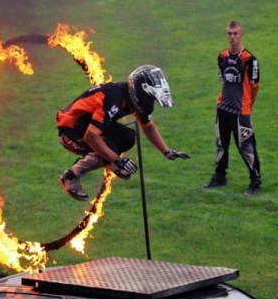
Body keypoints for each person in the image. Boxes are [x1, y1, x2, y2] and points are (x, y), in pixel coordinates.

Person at [57, 65, 190, 201]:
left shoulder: (134, 97)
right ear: (139, 92)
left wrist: (166, 151)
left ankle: (108, 161)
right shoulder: (112, 99)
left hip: (88, 126)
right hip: (70, 132)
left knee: (128, 137)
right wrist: (118, 160)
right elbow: (91, 137)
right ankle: (70, 176)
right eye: (148, 98)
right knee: (110, 148)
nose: (149, 103)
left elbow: (147, 125)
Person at [204, 20, 262, 196]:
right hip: (223, 107)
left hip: (241, 109)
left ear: (241, 34)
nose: (232, 37)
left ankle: (255, 179)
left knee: (246, 146)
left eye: (235, 33)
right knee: (221, 143)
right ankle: (220, 176)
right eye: (229, 33)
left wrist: (249, 104)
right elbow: (223, 79)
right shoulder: (222, 56)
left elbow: (255, 86)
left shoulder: (249, 60)